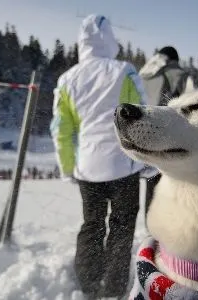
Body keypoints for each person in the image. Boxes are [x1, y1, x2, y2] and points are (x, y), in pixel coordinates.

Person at [50, 14, 147, 299]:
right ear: (109, 40)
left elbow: (61, 129)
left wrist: (68, 166)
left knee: (91, 223)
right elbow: (139, 117)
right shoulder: (125, 71)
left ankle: (89, 282)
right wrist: (144, 162)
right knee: (122, 224)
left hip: (88, 168)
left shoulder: (67, 79)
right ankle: (115, 285)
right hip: (123, 165)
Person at [139, 46, 194, 221]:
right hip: (167, 135)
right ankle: (168, 233)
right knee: (172, 185)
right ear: (174, 60)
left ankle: (152, 228)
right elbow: (191, 105)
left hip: (141, 134)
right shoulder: (177, 74)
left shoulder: (144, 74)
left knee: (151, 182)